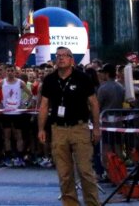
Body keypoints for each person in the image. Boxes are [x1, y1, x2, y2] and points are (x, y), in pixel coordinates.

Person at [38, 47, 100, 206]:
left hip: (79, 128)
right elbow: (44, 105)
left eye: (64, 56)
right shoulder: (50, 80)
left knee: (85, 171)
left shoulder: (83, 78)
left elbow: (93, 103)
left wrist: (97, 127)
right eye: (57, 56)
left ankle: (92, 203)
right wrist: (41, 128)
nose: (60, 58)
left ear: (72, 59)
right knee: (64, 174)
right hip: (58, 129)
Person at [0, 65, 32, 167]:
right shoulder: (2, 82)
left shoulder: (20, 82)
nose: (10, 72)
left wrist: (25, 105)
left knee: (19, 135)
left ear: (15, 72)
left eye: (12, 71)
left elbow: (30, 95)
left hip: (17, 113)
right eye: (8, 70)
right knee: (7, 136)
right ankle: (8, 157)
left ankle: (20, 157)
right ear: (6, 72)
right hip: (6, 113)